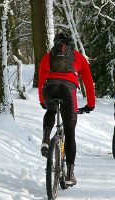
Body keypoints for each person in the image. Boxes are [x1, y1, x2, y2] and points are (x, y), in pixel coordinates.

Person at [38, 32, 95, 186]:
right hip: (67, 91)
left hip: (49, 89)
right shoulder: (78, 57)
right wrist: (90, 104)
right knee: (69, 133)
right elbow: (88, 82)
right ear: (71, 45)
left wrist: (43, 100)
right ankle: (69, 175)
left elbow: (41, 79)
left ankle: (45, 140)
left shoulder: (48, 56)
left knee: (51, 111)